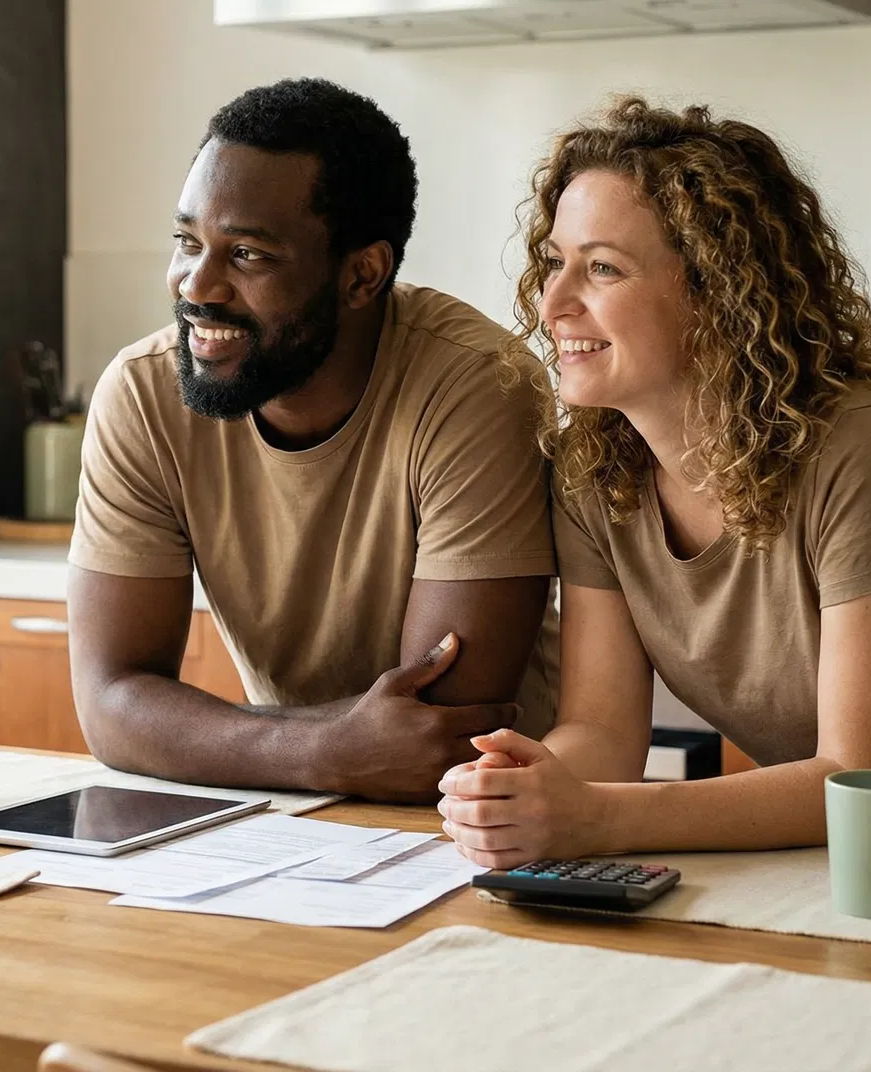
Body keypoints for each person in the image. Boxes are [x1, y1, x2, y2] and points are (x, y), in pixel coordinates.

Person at [439, 98, 871, 861]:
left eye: (602, 267)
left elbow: (860, 775)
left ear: (718, 291)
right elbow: (603, 733)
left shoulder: (869, 456)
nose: (551, 303)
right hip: (831, 831)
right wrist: (527, 788)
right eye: (554, 262)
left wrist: (596, 819)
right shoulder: (598, 473)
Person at [67, 78, 558, 803]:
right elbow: (111, 708)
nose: (195, 285)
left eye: (249, 256)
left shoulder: (476, 384)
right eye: (187, 241)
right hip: (295, 806)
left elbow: (440, 735)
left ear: (363, 275)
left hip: (501, 816)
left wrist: (242, 741)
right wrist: (323, 749)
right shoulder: (142, 393)